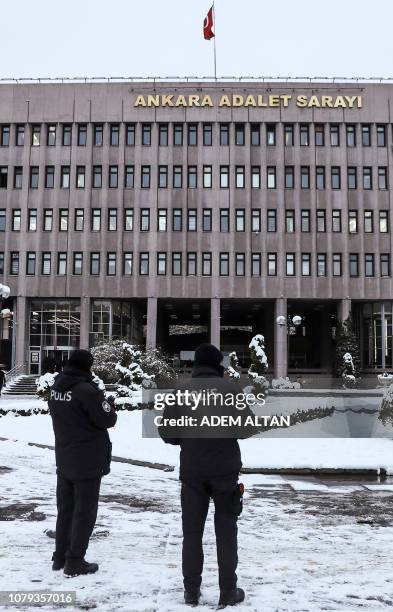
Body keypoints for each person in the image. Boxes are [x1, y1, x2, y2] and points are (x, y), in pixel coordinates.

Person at [159, 343, 258, 608]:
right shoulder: (229, 389)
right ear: (218, 365)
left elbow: (168, 434)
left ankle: (191, 591)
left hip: (192, 472)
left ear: (195, 365)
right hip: (225, 471)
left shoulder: (181, 391)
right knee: (226, 533)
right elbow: (247, 428)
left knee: (191, 534)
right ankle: (228, 591)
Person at [48, 349, 117, 576]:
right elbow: (107, 419)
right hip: (87, 460)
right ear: (87, 367)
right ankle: (75, 560)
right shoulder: (86, 391)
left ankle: (60, 556)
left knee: (65, 510)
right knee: (84, 512)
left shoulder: (57, 388)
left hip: (65, 457)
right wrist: (107, 403)